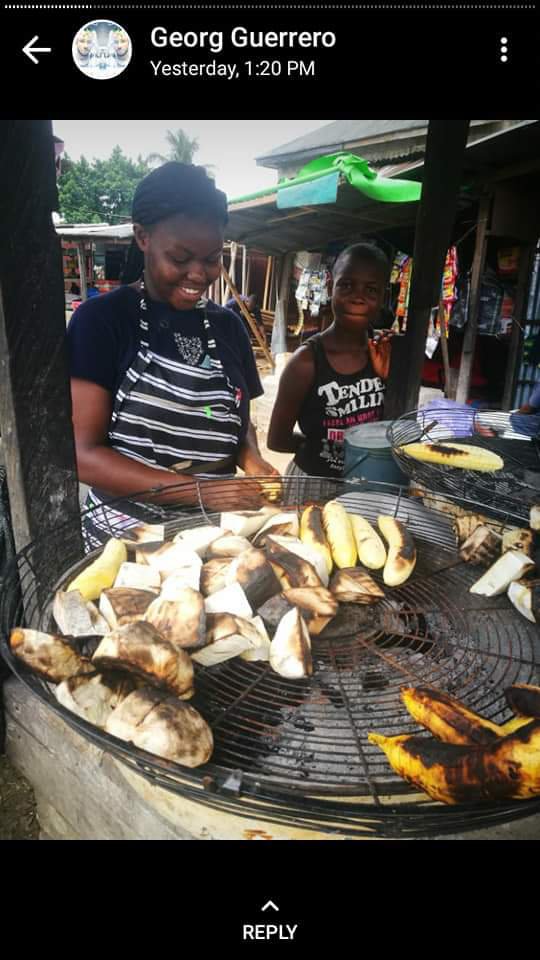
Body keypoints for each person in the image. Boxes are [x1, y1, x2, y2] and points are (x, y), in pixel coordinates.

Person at [67, 162, 278, 545]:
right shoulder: (102, 321)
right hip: (127, 536)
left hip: (216, 537)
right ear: (142, 236)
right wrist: (201, 491)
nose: (198, 274)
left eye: (212, 258)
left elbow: (239, 419)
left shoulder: (228, 327)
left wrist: (251, 460)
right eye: (180, 259)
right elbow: (83, 454)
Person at [267, 243, 392, 483]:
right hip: (314, 484)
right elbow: (277, 440)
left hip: (369, 482)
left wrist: (388, 378)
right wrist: (323, 447)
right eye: (346, 285)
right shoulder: (305, 362)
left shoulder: (385, 354)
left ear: (382, 297)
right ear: (329, 287)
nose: (358, 297)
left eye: (371, 290)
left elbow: (396, 431)